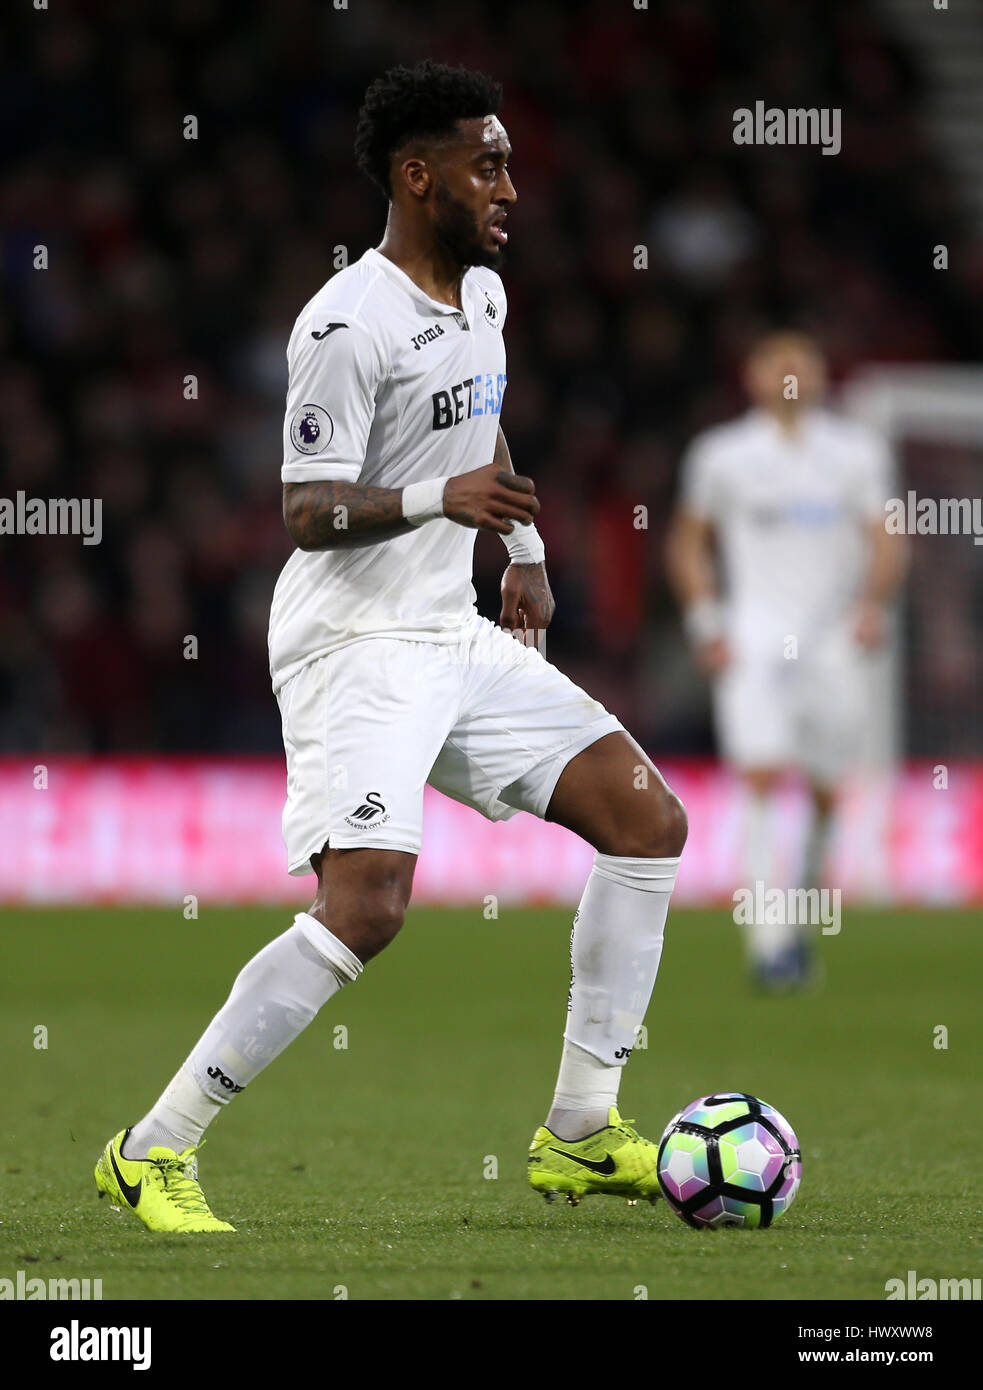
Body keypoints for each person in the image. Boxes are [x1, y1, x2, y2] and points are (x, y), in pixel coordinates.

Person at [94, 60, 687, 1232]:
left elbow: (479, 417)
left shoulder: (481, 298)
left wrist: (521, 550)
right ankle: (152, 1150)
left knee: (644, 819)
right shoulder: (343, 322)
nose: (510, 185)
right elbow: (306, 511)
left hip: (448, 631)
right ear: (418, 177)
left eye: (509, 159)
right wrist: (436, 503)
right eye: (486, 162)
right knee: (366, 905)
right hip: (353, 644)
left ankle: (577, 1128)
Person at [667, 331, 901, 990]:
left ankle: (799, 913)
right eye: (778, 362)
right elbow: (688, 541)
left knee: (827, 788)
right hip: (753, 641)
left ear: (823, 375)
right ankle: (769, 943)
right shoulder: (722, 455)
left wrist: (870, 606)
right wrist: (705, 619)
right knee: (762, 778)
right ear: (752, 375)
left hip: (832, 642)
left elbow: (885, 538)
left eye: (804, 361)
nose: (791, 373)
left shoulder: (854, 452)